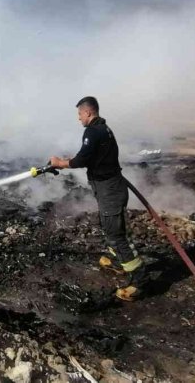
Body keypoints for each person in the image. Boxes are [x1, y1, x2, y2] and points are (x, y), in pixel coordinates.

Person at [49, 96, 146, 301]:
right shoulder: (103, 129)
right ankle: (119, 262)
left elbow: (82, 159)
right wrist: (67, 161)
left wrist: (59, 163)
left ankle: (140, 280)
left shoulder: (93, 131)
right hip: (107, 188)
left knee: (117, 235)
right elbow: (90, 155)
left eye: (80, 114)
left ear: (88, 112)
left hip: (110, 190)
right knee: (108, 226)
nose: (79, 118)